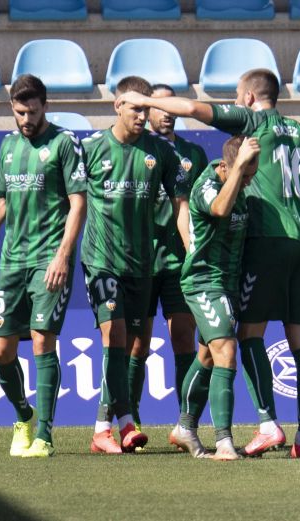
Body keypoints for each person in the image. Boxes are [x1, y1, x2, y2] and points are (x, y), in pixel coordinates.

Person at [116, 69, 300, 458]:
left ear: (248, 98)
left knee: (245, 336)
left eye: (236, 95)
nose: (235, 101)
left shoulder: (252, 123)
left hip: (268, 240)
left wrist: (147, 101)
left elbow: (193, 108)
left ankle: (267, 424)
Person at [0, 74, 87, 458]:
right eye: (19, 112)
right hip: (11, 262)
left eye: (32, 111)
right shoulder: (8, 146)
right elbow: (0, 201)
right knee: (0, 350)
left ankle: (45, 436)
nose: (26, 119)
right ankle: (23, 415)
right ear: (12, 110)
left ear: (44, 106)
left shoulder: (65, 144)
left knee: (41, 340)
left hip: (48, 258)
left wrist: (64, 254)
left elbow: (78, 202)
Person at [80, 75, 190, 454]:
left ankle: (114, 426)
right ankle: (114, 425)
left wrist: (190, 250)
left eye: (147, 108)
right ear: (118, 106)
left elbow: (180, 203)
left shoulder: (159, 152)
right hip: (101, 262)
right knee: (114, 335)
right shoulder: (91, 149)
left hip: (142, 264)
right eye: (136, 108)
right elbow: (72, 203)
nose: (143, 115)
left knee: (132, 344)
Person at [127, 84, 209, 442]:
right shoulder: (137, 151)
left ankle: (184, 423)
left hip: (180, 262)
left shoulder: (193, 153)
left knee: (183, 340)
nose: (166, 113)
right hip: (142, 261)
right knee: (137, 345)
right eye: (158, 106)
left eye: (169, 106)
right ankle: (131, 422)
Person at [171, 135, 260, 461]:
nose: (247, 182)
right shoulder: (207, 184)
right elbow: (220, 208)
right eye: (243, 174)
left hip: (228, 283)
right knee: (226, 350)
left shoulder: (241, 186)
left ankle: (185, 427)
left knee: (208, 355)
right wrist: (238, 170)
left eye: (251, 176)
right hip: (203, 281)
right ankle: (224, 441)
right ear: (226, 165)